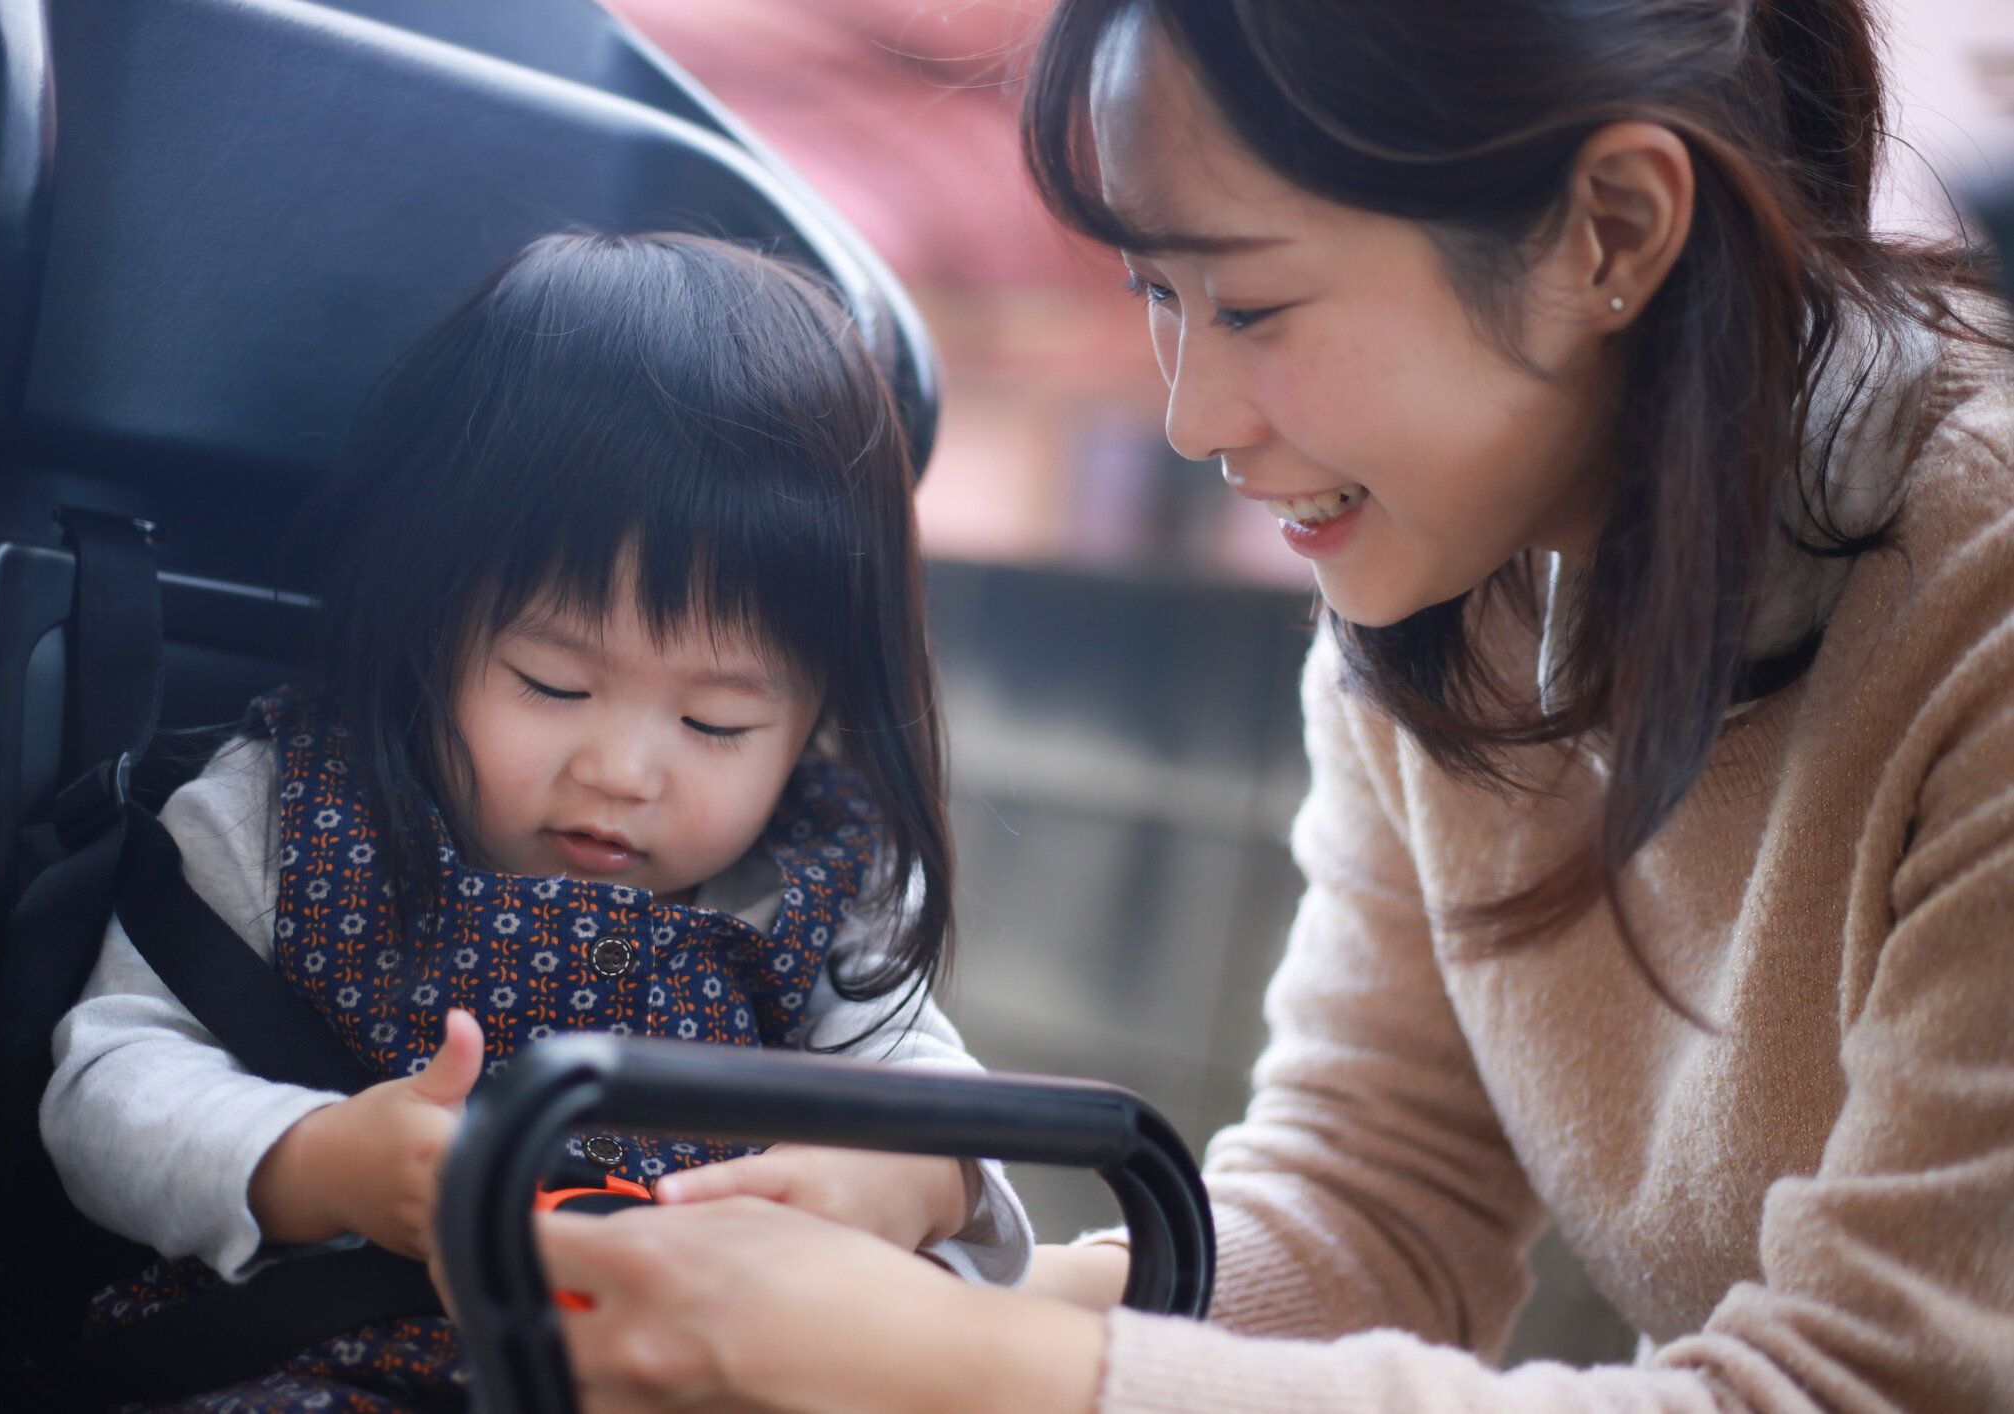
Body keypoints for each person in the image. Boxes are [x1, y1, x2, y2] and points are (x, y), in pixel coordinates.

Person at [517, 1, 2014, 1409]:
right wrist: (960, 1299)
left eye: (1251, 303)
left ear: (1610, 229)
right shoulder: (1458, 574)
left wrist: (977, 1362)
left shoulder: (1976, 611)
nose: (1192, 417)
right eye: (1157, 295)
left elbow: (1866, 1387)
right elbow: (1372, 1203)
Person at [39, 231, 1032, 1413]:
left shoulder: (822, 880)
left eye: (717, 722)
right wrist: (322, 1162)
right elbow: (109, 1081)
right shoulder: (293, 809)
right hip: (328, 1362)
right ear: (434, 621)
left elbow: (931, 1089)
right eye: (554, 686)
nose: (621, 769)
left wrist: (907, 1178)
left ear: (820, 711)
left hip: (685, 1369)